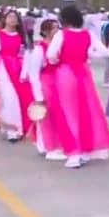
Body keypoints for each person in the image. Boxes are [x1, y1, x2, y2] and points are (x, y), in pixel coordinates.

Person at [45, 6, 109, 168]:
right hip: (83, 74)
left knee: (68, 113)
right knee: (85, 111)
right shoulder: (88, 34)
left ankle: (74, 153)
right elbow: (103, 51)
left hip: (65, 74)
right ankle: (87, 150)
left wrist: (56, 61)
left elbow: (51, 55)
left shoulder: (61, 34)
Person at [25, 19, 71, 161]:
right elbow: (33, 73)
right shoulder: (40, 49)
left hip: (60, 83)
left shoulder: (59, 47)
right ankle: (49, 147)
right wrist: (38, 95)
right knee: (47, 116)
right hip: (47, 84)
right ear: (45, 31)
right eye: (53, 29)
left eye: (58, 28)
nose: (56, 31)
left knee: (58, 115)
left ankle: (48, 145)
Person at [0, 10, 34, 141]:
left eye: (15, 17)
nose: (13, 20)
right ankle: (11, 130)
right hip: (4, 69)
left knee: (19, 99)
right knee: (9, 98)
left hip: (17, 68)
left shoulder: (21, 36)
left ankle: (18, 127)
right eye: (10, 17)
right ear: (5, 19)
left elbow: (26, 55)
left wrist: (25, 72)